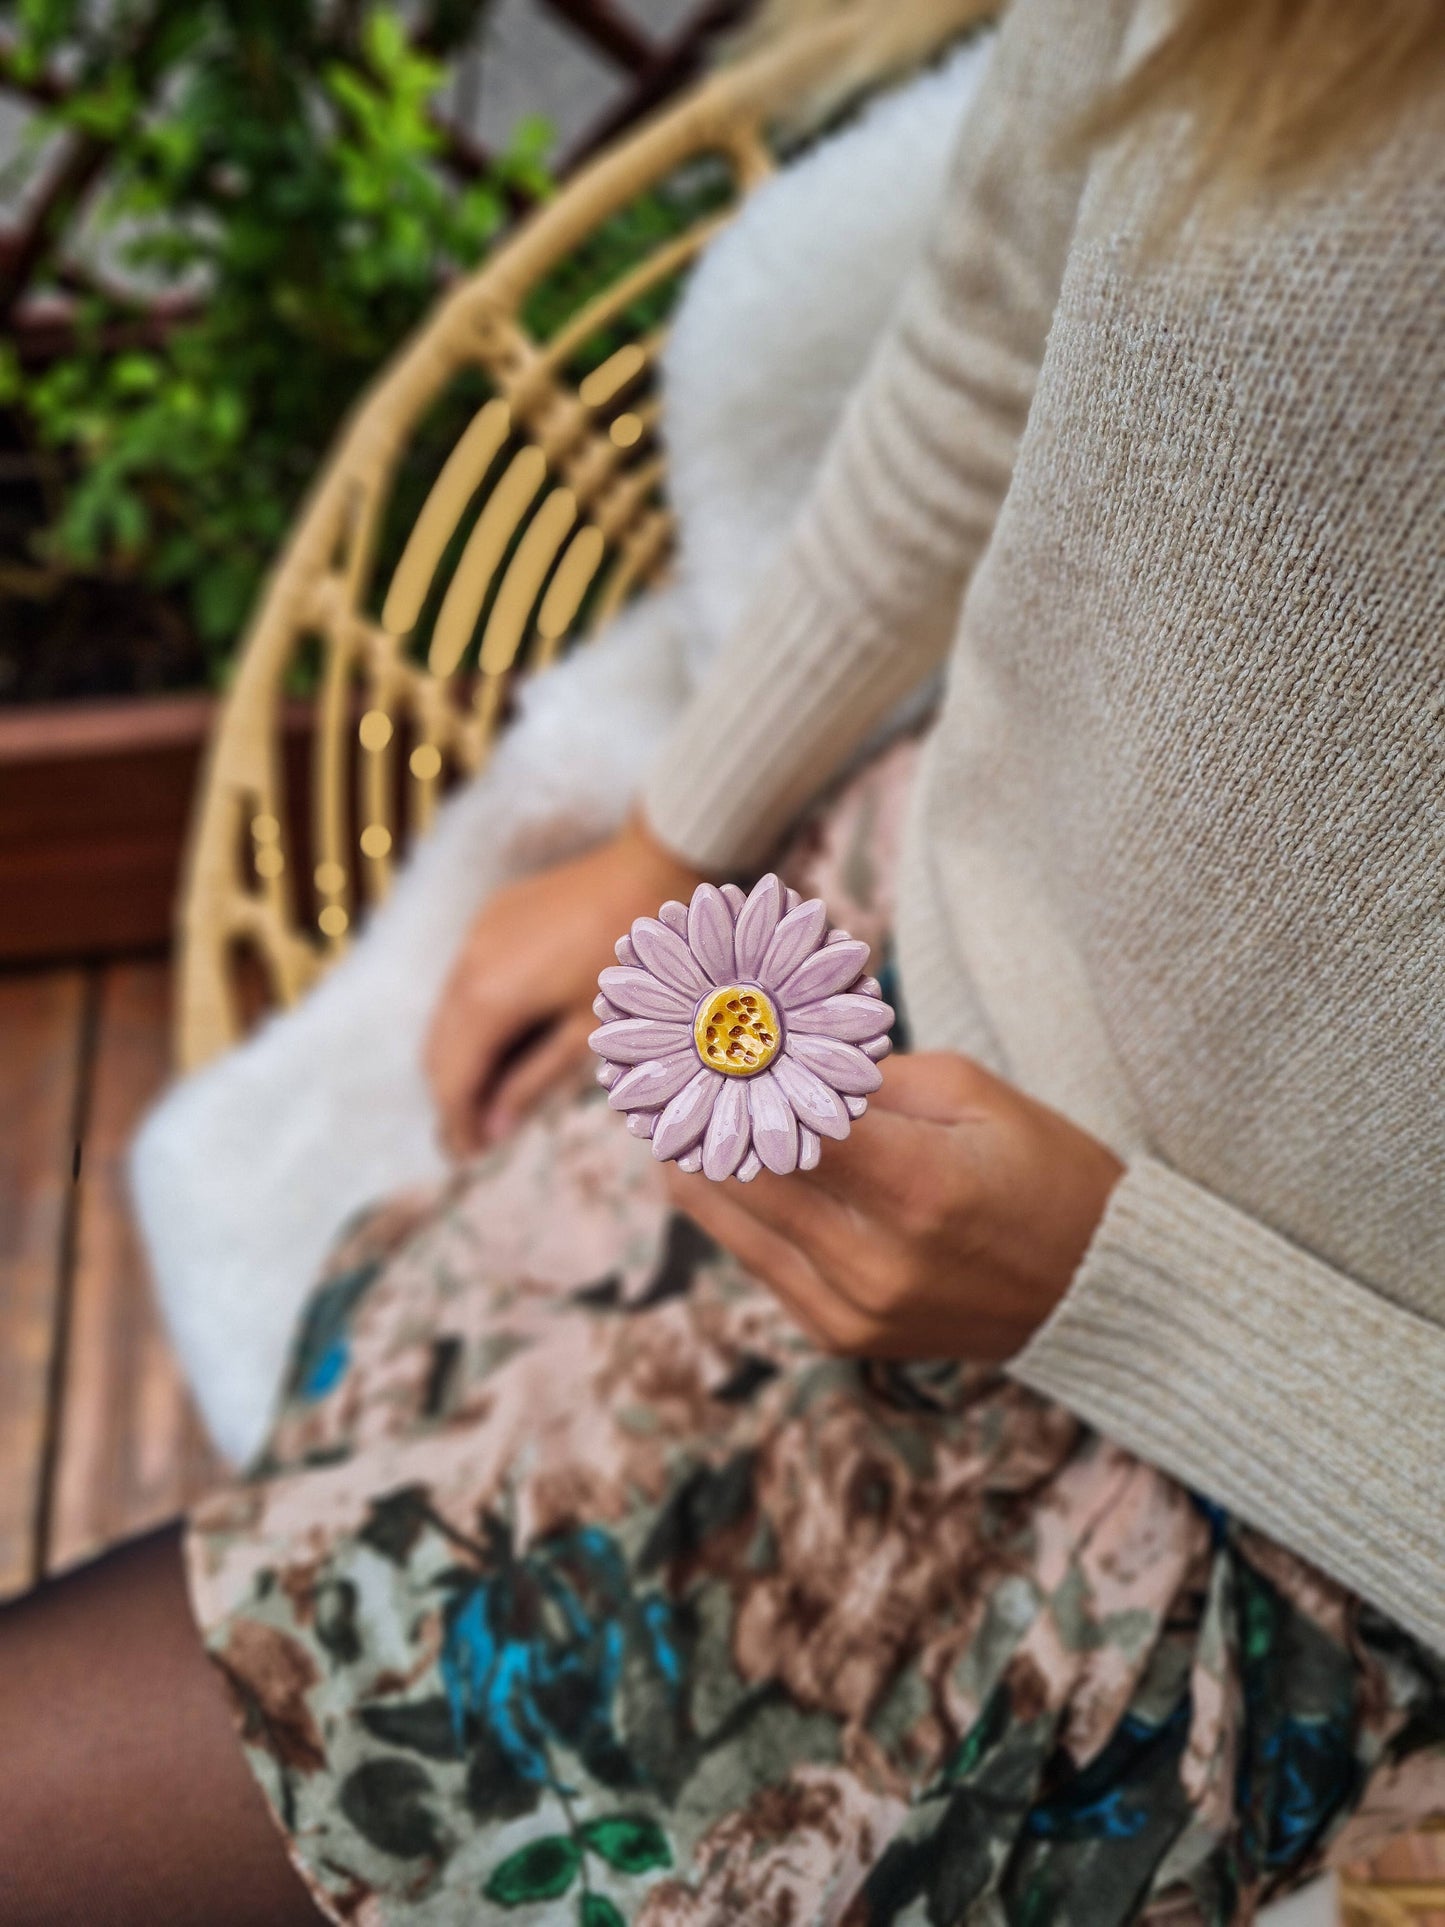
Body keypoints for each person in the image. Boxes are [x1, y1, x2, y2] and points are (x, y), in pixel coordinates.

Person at [3, 0, 1442, 1918]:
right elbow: (995, 333)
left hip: (1276, 1524)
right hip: (870, 1029)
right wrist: (669, 834)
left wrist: (1121, 1296)